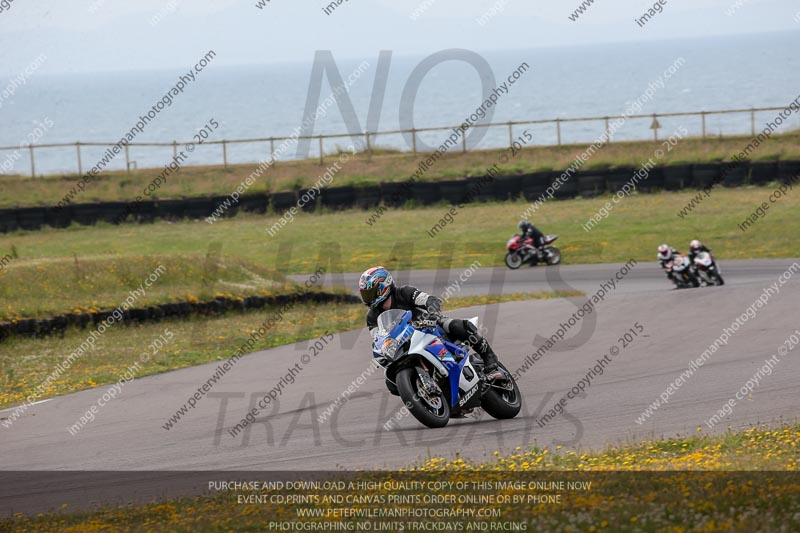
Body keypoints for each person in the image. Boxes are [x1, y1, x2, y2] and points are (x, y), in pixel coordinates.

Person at [359, 266, 505, 381]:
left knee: (453, 325)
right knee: (389, 380)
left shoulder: (404, 292)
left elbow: (430, 300)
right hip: (404, 344)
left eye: (370, 292)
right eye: (365, 294)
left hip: (428, 327)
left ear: (383, 287)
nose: (367, 298)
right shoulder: (372, 317)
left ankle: (489, 358)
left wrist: (433, 314)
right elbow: (378, 338)